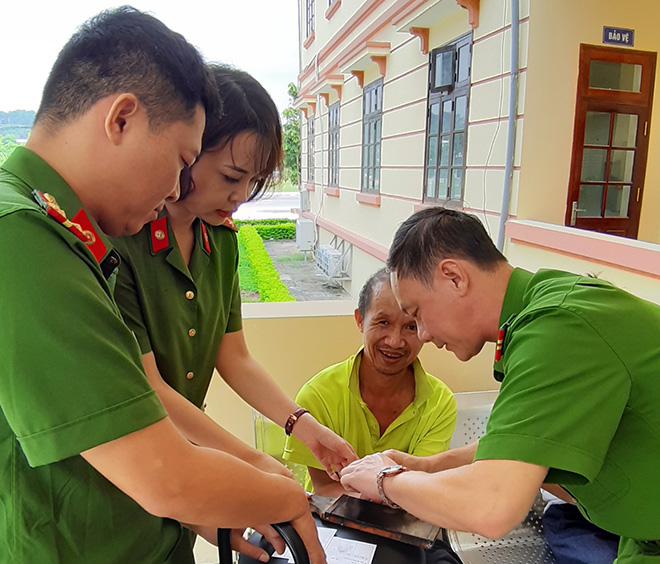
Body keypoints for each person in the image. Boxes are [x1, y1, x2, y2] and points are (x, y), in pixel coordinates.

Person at [0, 8, 325, 564]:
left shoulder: (72, 231)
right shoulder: (22, 236)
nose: (179, 186)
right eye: (181, 160)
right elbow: (161, 473)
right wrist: (282, 491)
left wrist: (210, 509)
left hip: (148, 533)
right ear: (121, 118)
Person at [110, 64, 356, 553]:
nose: (241, 197)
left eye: (255, 182)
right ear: (187, 146)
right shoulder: (122, 238)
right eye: (231, 176)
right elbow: (150, 389)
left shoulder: (219, 242)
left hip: (179, 475)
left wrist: (302, 426)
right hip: (123, 477)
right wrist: (252, 464)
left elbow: (234, 356)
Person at [340, 207, 660, 563]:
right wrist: (429, 467)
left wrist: (385, 481)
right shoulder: (545, 309)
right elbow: (521, 443)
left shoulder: (560, 328)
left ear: (454, 277)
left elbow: (491, 506)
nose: (424, 335)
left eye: (416, 314)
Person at [284, 268, 462, 564]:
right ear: (359, 320)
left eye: (410, 327)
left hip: (410, 533)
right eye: (382, 322)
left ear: (424, 329)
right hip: (335, 530)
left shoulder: (439, 400)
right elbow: (326, 488)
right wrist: (393, 488)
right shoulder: (317, 395)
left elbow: (422, 491)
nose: (395, 341)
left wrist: (374, 486)